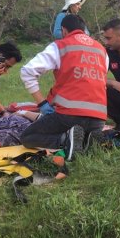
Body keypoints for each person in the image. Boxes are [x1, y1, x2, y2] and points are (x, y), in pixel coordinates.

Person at [19, 14, 109, 160]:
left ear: (64, 30)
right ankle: (87, 139)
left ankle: (65, 139)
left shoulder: (61, 45)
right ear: (84, 29)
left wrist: (42, 103)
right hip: (99, 118)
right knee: (83, 130)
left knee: (28, 137)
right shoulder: (101, 50)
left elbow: (27, 71)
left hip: (69, 115)